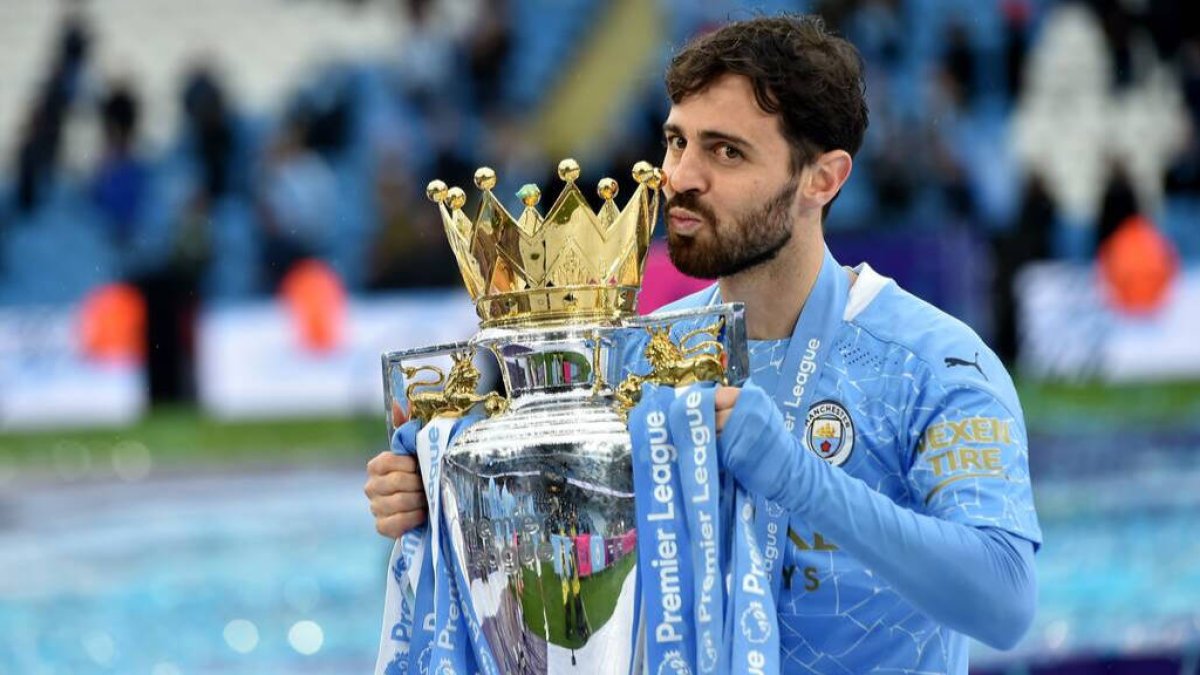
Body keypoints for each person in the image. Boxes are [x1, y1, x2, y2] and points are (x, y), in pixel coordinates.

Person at [365, 14, 1040, 673]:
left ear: (823, 179)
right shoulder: (636, 357)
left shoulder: (933, 362)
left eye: (726, 151)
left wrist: (801, 480)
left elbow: (1006, 601)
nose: (680, 176)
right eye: (676, 141)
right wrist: (456, 502)